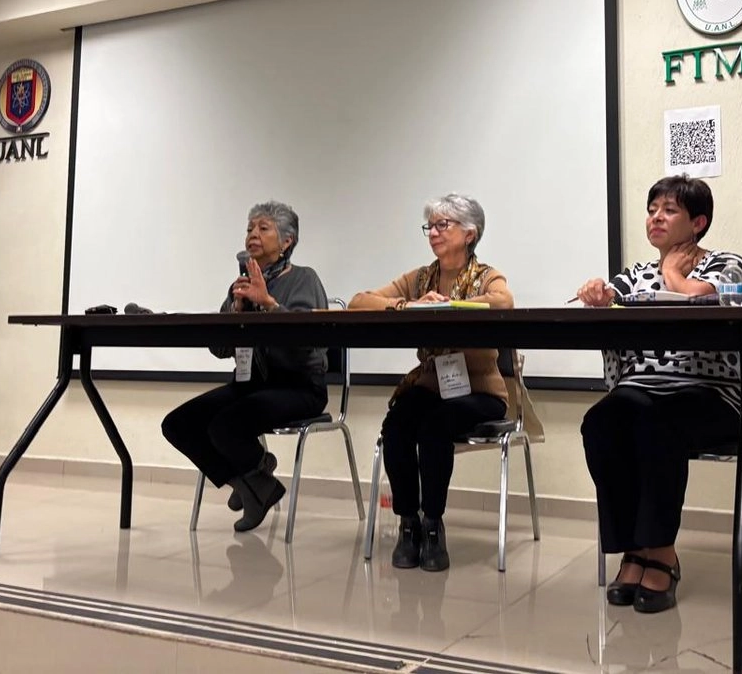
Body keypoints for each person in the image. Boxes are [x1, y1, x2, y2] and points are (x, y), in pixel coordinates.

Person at [575, 175, 742, 613]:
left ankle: (661, 552)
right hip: (641, 394)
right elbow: (612, 329)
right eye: (652, 208)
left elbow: (719, 307)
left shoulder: (727, 264)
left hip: (712, 397)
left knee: (655, 422)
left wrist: (672, 273)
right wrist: (598, 300)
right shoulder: (633, 274)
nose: (656, 217)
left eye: (669, 210)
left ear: (698, 222)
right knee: (601, 422)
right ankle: (634, 548)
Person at [349, 194, 513, 572]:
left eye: (444, 226)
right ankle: (408, 522)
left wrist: (450, 308)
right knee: (397, 424)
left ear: (470, 234)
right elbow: (360, 301)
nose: (434, 233)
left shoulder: (487, 275)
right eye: (431, 226)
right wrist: (406, 305)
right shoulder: (420, 277)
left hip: (481, 392)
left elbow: (503, 303)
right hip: (431, 385)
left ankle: (433, 523)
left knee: (436, 425)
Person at [162, 200, 328, 532]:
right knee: (178, 424)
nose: (253, 234)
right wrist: (233, 313)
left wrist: (269, 305)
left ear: (286, 242)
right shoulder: (240, 285)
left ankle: (254, 482)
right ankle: (254, 480)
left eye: (263, 228)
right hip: (250, 385)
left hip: (298, 386)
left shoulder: (304, 279)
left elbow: (308, 344)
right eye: (249, 228)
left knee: (226, 424)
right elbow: (220, 349)